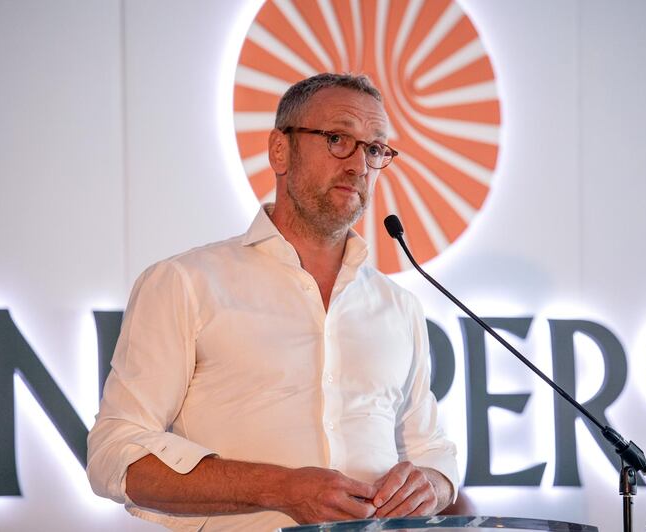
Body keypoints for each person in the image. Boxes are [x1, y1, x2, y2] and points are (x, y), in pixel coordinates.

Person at [86, 73, 459, 531]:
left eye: (375, 148)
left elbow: (430, 450)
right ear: (280, 150)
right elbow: (113, 452)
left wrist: (433, 484)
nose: (359, 165)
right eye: (338, 139)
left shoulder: (398, 305)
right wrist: (279, 489)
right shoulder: (185, 282)